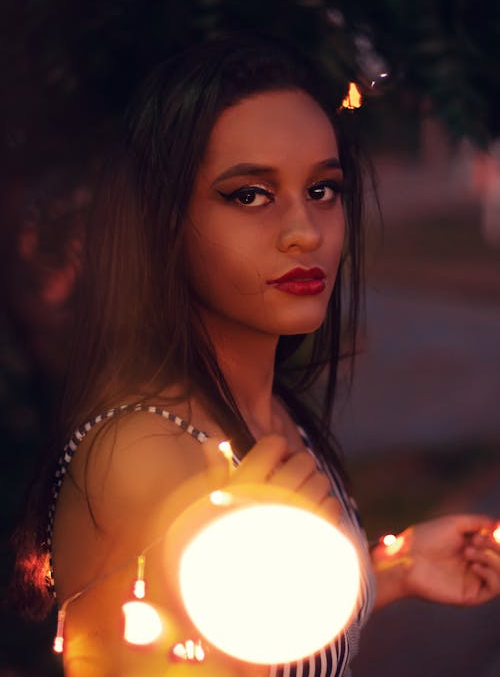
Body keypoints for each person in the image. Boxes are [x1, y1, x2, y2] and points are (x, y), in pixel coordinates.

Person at [13, 36, 500, 677]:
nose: (305, 229)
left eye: (323, 189)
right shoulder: (140, 458)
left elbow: (275, 619)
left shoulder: (270, 410)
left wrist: (393, 567)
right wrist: (226, 561)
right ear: (162, 222)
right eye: (249, 195)